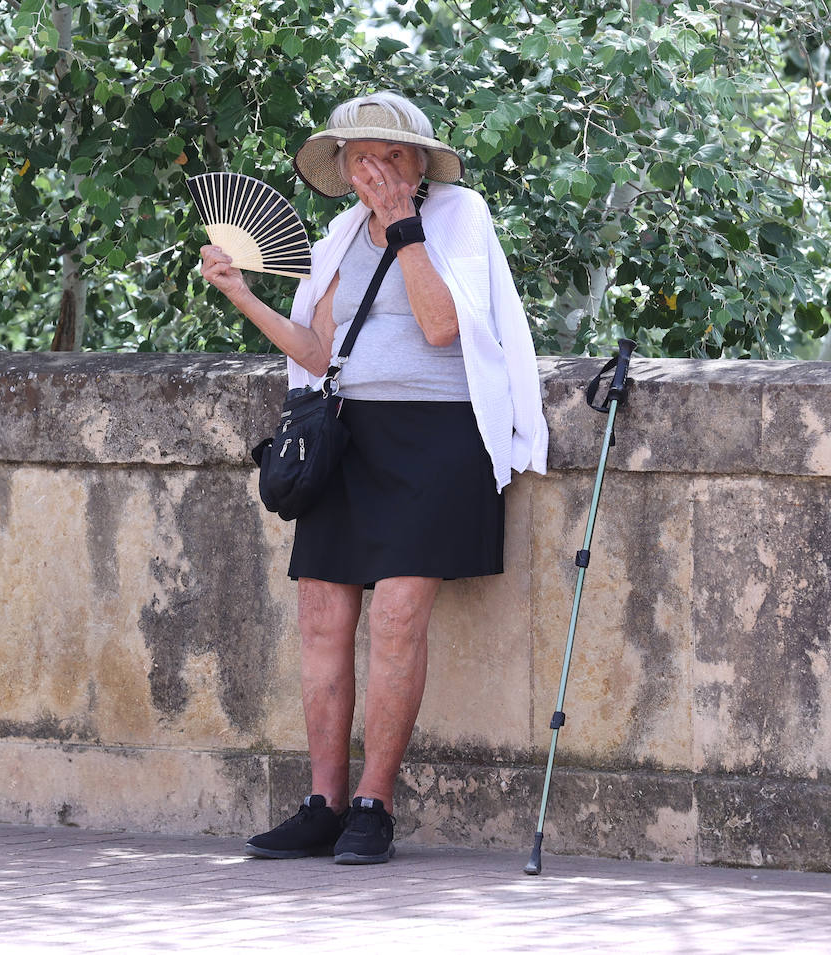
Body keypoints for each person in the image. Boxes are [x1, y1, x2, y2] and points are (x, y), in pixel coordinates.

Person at [199, 91, 548, 864]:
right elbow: (318, 352)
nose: (376, 169)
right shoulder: (335, 235)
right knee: (322, 619)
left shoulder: (460, 216)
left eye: (393, 155)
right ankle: (322, 801)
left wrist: (405, 229)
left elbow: (441, 326)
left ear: (420, 163)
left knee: (396, 619)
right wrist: (241, 292)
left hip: (436, 439)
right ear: (345, 168)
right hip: (347, 438)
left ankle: (373, 804)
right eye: (363, 156)